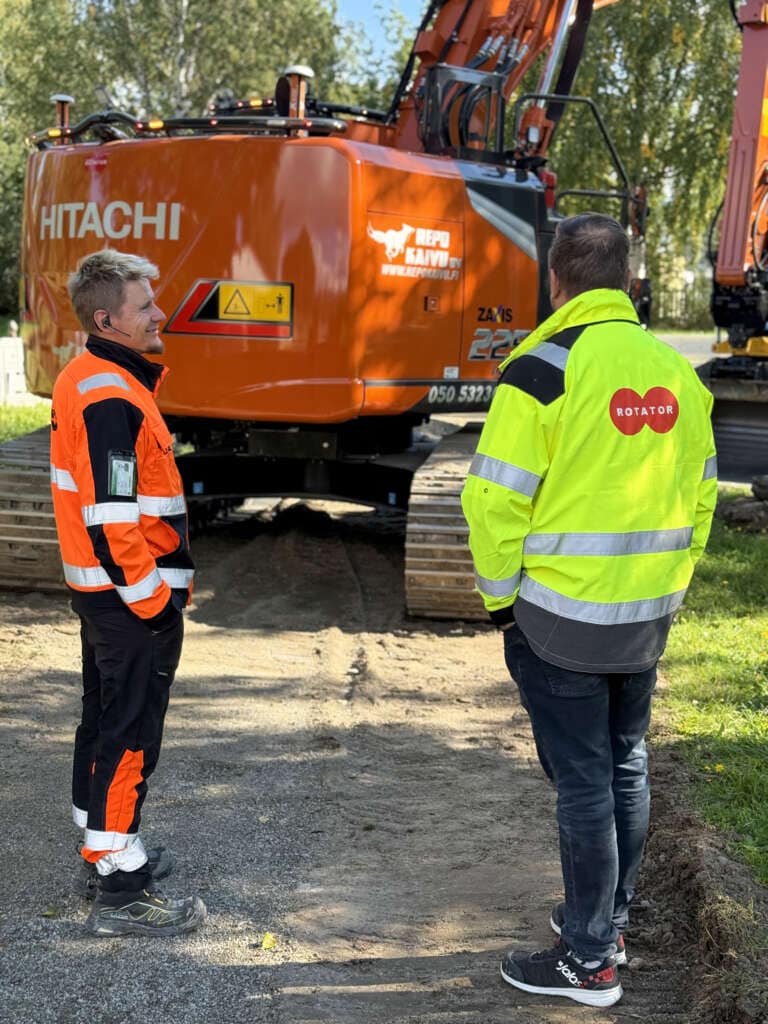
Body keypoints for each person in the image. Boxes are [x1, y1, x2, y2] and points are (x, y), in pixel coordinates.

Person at [461, 213, 716, 1007]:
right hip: (644, 616)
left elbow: (492, 502)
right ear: (629, 280)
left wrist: (503, 603)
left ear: (556, 280)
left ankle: (588, 960)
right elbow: (703, 493)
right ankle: (609, 921)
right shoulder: (675, 372)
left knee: (582, 782)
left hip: (556, 621)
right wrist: (669, 586)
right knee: (626, 763)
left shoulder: (541, 369)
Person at [50, 249, 205, 937]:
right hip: (127, 601)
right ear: (107, 317)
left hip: (104, 595)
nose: (160, 314)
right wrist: (153, 603)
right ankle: (121, 886)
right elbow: (112, 519)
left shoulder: (95, 378)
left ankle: (100, 845)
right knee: (130, 734)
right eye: (146, 306)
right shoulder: (111, 393)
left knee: (105, 722)